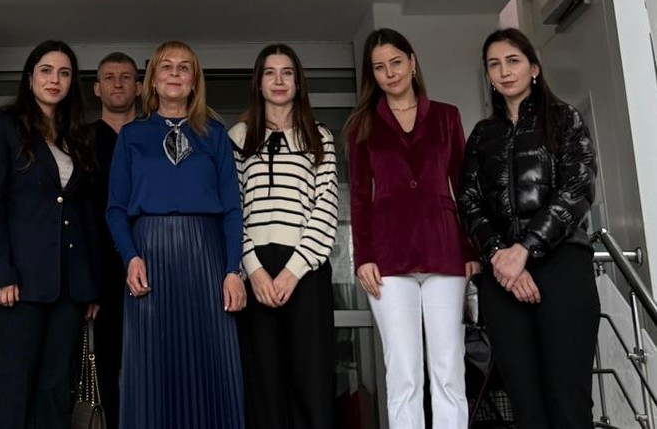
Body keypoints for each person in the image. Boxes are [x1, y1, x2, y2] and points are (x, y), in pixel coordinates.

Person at [457, 28, 599, 429]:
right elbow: (468, 202)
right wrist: (501, 257)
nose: (504, 71)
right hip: (501, 277)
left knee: (568, 401)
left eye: (513, 61)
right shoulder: (482, 135)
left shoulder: (565, 119)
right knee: (525, 406)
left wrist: (525, 250)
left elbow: (578, 189)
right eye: (494, 64)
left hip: (562, 267)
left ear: (534, 68)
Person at [106, 40, 246, 429]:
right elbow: (115, 208)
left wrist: (232, 269)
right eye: (166, 66)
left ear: (194, 82)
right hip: (148, 253)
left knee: (212, 359)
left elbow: (233, 208)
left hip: (206, 254)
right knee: (150, 362)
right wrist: (131, 256)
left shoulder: (215, 135)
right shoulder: (131, 135)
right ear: (152, 80)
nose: (174, 73)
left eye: (184, 67)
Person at [346, 28, 479, 429]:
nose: (390, 73)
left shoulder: (446, 116)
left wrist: (470, 249)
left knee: (448, 367)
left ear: (413, 62)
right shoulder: (362, 125)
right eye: (379, 67)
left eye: (396, 62)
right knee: (403, 371)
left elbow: (464, 186)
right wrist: (363, 256)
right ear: (372, 75)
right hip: (388, 255)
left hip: (445, 249)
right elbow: (359, 197)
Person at [0, 39, 100, 429]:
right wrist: (0, 272)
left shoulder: (77, 136)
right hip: (17, 282)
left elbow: (85, 215)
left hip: (68, 286)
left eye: (64, 73)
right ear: (30, 78)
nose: (54, 80)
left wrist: (88, 286)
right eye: (46, 71)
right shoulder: (4, 126)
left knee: (55, 387)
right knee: (16, 386)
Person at [228, 43, 337, 429]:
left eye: (287, 72)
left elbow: (325, 208)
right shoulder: (239, 136)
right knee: (264, 384)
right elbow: (233, 209)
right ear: (258, 83)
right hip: (255, 269)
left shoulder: (319, 136)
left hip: (305, 270)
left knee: (311, 382)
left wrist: (293, 271)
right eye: (269, 73)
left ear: (298, 82)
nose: (278, 81)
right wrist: (254, 270)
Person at [88, 51, 142, 429]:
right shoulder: (81, 140)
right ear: (97, 88)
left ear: (139, 87)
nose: (118, 83)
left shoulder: (154, 136)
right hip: (102, 270)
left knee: (151, 361)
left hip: (152, 262)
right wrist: (86, 283)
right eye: (109, 77)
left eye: (125, 77)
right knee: (107, 364)